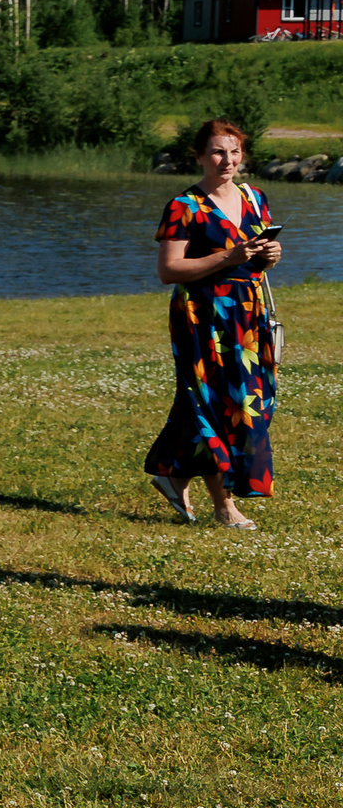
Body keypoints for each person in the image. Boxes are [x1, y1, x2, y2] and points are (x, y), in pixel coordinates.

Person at [147, 118, 282, 528]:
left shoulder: (255, 198)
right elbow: (169, 270)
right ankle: (225, 507)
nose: (227, 160)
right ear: (200, 156)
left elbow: (253, 254)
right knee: (220, 406)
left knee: (250, 404)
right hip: (202, 317)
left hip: (248, 315)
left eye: (235, 152)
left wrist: (269, 255)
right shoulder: (183, 206)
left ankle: (172, 472)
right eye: (218, 152)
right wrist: (229, 257)